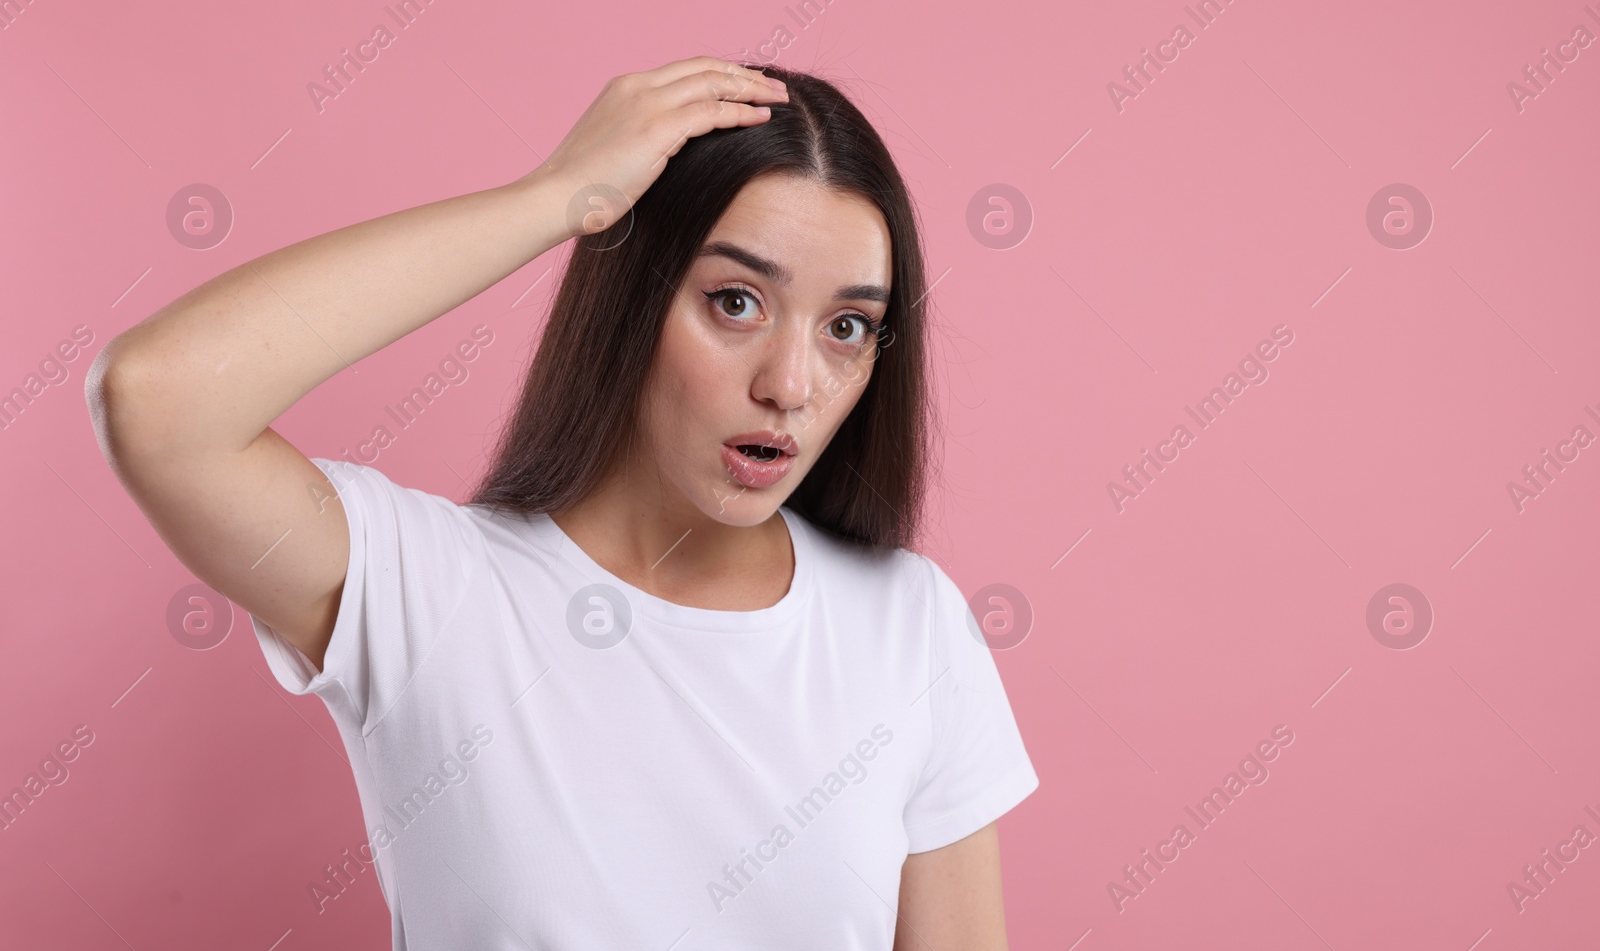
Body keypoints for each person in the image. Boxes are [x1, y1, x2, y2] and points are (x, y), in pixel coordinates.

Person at [87, 56, 1039, 949]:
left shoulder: (911, 625)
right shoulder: (429, 591)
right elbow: (157, 397)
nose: (792, 384)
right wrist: (554, 198)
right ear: (633, 294)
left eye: (846, 327)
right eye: (737, 301)